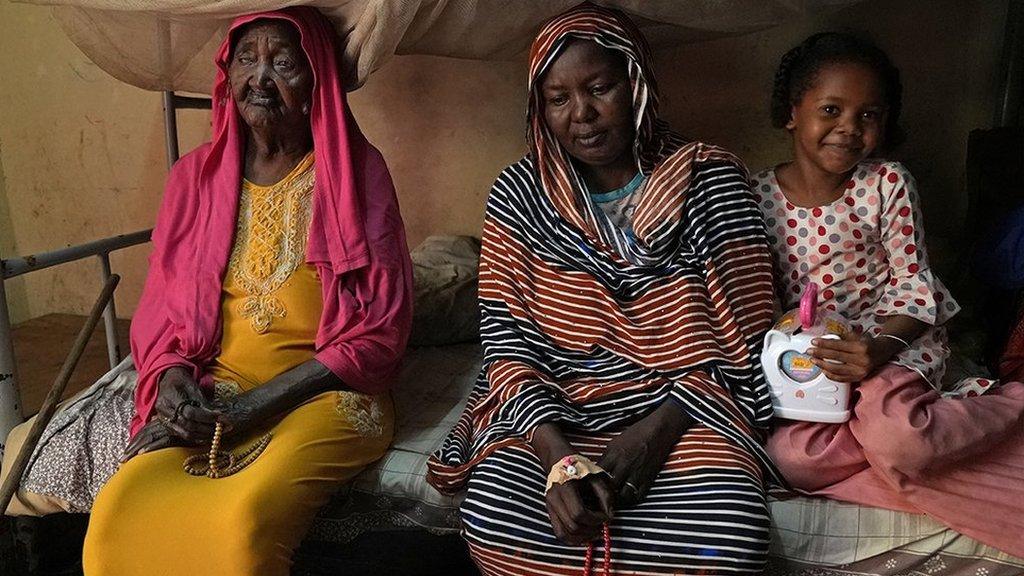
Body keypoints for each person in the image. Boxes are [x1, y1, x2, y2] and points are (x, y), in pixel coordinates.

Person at [428, 4, 780, 574]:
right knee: (492, 516)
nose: (583, 116)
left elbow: (745, 339)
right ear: (539, 109)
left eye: (599, 88)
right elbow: (507, 345)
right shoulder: (518, 194)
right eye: (559, 99)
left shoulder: (710, 177)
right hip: (556, 411)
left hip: (682, 407)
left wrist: (655, 433)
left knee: (732, 533)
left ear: (636, 83)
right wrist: (558, 459)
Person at [75, 7, 413, 574]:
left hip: (326, 396)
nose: (260, 77)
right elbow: (161, 316)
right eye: (246, 61)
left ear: (317, 81)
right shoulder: (192, 179)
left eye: (283, 63)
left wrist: (255, 409)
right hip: (218, 391)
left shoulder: (359, 173)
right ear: (227, 78)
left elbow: (379, 334)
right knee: (115, 515)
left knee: (243, 523)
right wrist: (175, 384)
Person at [751, 32, 1024, 557]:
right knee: (793, 460)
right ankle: (900, 460)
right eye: (831, 109)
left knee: (902, 437)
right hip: (814, 364)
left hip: (890, 343)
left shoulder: (886, 183)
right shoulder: (755, 195)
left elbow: (915, 285)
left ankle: (1010, 406)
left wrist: (877, 351)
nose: (849, 128)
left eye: (869, 115)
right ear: (792, 113)